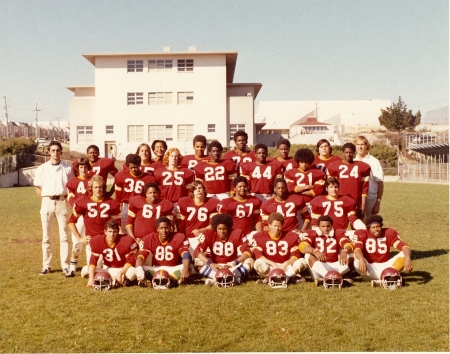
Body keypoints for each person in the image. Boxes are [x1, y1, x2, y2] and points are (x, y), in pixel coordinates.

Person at [34, 140, 74, 277]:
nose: (55, 153)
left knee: (64, 236)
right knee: (46, 236)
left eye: (58, 150)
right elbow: (38, 188)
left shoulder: (67, 169)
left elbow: (71, 188)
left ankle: (66, 266)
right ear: (48, 152)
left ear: (61, 152)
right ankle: (47, 265)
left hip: (62, 202)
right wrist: (46, 201)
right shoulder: (42, 169)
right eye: (53, 150)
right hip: (47, 202)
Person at [68, 175, 121, 273]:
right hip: (93, 241)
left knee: (112, 267)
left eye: (100, 187)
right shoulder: (83, 201)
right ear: (91, 188)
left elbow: (118, 223)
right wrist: (80, 238)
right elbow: (71, 222)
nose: (98, 189)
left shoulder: (111, 203)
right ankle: (87, 271)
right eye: (96, 187)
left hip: (108, 240)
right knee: (94, 268)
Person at [194, 214, 253, 286]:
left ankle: (215, 280)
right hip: (215, 266)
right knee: (197, 261)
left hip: (232, 266)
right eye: (219, 229)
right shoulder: (208, 233)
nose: (222, 231)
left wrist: (234, 263)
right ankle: (233, 278)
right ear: (215, 228)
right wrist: (211, 263)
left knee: (250, 261)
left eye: (224, 229)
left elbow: (247, 251)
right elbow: (197, 251)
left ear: (228, 228)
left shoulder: (237, 233)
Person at [353, 215, 412, 283]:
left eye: (378, 226)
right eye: (373, 227)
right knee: (357, 258)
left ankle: (384, 277)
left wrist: (407, 258)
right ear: (368, 228)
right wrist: (361, 259)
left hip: (385, 265)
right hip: (369, 267)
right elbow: (357, 249)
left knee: (404, 253)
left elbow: (404, 246)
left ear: (381, 226)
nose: (376, 229)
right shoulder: (362, 233)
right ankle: (389, 276)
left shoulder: (388, 232)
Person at [251, 212, 307, 284]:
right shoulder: (260, 236)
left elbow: (295, 255)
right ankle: (286, 277)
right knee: (258, 263)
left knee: (302, 262)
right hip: (270, 266)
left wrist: (286, 263)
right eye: (274, 226)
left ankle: (275, 278)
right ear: (269, 225)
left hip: (285, 267)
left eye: (279, 226)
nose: (277, 228)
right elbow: (258, 255)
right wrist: (273, 264)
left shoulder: (291, 236)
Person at [135, 216, 191, 287]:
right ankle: (174, 281)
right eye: (161, 228)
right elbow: (140, 256)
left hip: (172, 269)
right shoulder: (149, 239)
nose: (164, 231)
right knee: (139, 267)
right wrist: (139, 269)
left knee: (189, 267)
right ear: (157, 229)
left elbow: (186, 255)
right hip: (156, 269)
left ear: (170, 228)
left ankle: (152, 280)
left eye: (166, 228)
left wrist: (185, 270)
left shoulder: (178, 237)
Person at [299, 215, 354, 286]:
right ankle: (332, 278)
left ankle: (327, 279)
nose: (326, 229)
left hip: (336, 265)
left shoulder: (337, 232)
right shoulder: (312, 233)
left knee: (351, 255)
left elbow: (349, 245)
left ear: (331, 226)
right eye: (323, 226)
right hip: (320, 267)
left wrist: (345, 251)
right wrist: (315, 251)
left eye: (328, 226)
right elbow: (302, 246)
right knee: (308, 255)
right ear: (318, 226)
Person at [83, 219, 138, 288]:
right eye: (110, 231)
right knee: (85, 270)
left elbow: (131, 260)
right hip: (107, 269)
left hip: (122, 268)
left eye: (114, 232)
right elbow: (93, 261)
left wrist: (121, 272)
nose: (112, 234)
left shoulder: (126, 240)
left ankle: (105, 279)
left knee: (133, 272)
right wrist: (90, 278)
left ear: (118, 232)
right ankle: (114, 280)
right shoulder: (98, 240)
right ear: (105, 232)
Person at [327, 143, 371, 219]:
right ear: (343, 153)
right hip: (339, 200)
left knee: (358, 227)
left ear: (354, 153)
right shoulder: (334, 166)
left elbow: (364, 189)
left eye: (351, 152)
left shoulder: (363, 167)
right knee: (339, 226)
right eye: (346, 152)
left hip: (356, 200)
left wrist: (363, 206)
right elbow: (330, 188)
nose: (348, 154)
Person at [114, 154, 156, 233]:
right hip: (126, 205)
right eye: (131, 167)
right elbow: (118, 197)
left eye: (136, 167)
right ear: (127, 166)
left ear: (140, 165)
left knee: (140, 228)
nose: (134, 169)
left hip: (141, 206)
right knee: (125, 229)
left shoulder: (148, 178)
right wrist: (118, 210)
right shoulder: (120, 176)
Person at [176, 181, 219, 254]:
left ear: (204, 189)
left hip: (203, 236)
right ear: (192, 192)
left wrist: (202, 230)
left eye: (200, 188)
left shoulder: (212, 202)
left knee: (201, 259)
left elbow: (214, 225)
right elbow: (180, 224)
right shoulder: (184, 202)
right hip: (188, 236)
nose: (198, 190)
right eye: (195, 189)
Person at [354, 136, 384, 223]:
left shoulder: (374, 161)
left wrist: (378, 202)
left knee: (371, 224)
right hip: (357, 198)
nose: (360, 147)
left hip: (370, 198)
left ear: (367, 146)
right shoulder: (353, 161)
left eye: (362, 144)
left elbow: (380, 183)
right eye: (358, 144)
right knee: (358, 224)